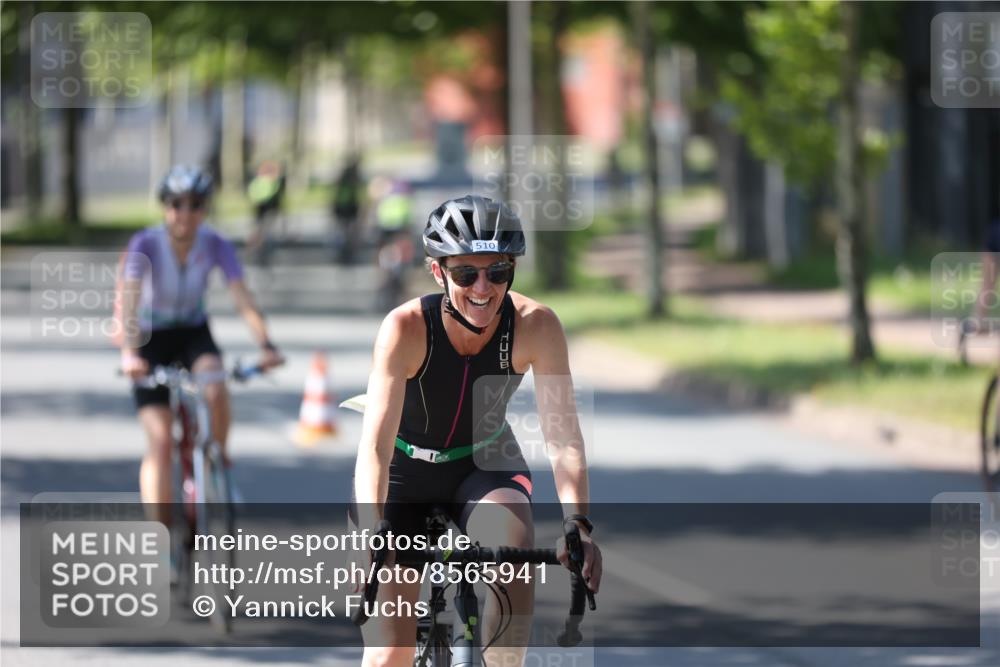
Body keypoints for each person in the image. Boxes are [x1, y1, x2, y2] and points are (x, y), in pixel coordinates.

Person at [352, 195, 602, 667]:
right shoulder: (405, 327)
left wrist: (578, 524)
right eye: (466, 273)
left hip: (483, 462)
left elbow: (564, 438)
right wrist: (372, 532)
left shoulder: (537, 326)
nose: (483, 288)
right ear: (437, 272)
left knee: (513, 562)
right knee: (389, 653)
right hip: (404, 472)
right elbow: (376, 449)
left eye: (499, 271)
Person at [118, 165, 283, 524]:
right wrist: (130, 353)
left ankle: (217, 461)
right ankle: (162, 541)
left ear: (204, 209)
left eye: (195, 204)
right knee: (161, 443)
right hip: (149, 339)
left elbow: (242, 297)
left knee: (215, 383)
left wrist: (266, 344)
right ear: (165, 207)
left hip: (193, 331)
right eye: (177, 203)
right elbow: (128, 302)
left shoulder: (215, 243)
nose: (185, 213)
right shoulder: (144, 243)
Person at [331, 154, 365, 264]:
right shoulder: (352, 179)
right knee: (351, 232)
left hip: (342, 207)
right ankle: (347, 253)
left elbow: (335, 194)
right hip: (348, 207)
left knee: (344, 232)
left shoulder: (342, 179)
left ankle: (343, 253)